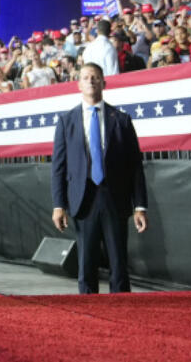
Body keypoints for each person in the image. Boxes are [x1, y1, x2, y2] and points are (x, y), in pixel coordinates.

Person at [51, 62, 149, 294]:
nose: (91, 81)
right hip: (83, 200)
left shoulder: (121, 120)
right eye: (85, 77)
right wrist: (58, 205)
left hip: (115, 198)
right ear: (78, 85)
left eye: (95, 77)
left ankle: (122, 313)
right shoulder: (66, 121)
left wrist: (140, 206)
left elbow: (135, 166)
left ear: (104, 82)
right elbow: (58, 167)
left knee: (118, 262)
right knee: (86, 264)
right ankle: (89, 314)